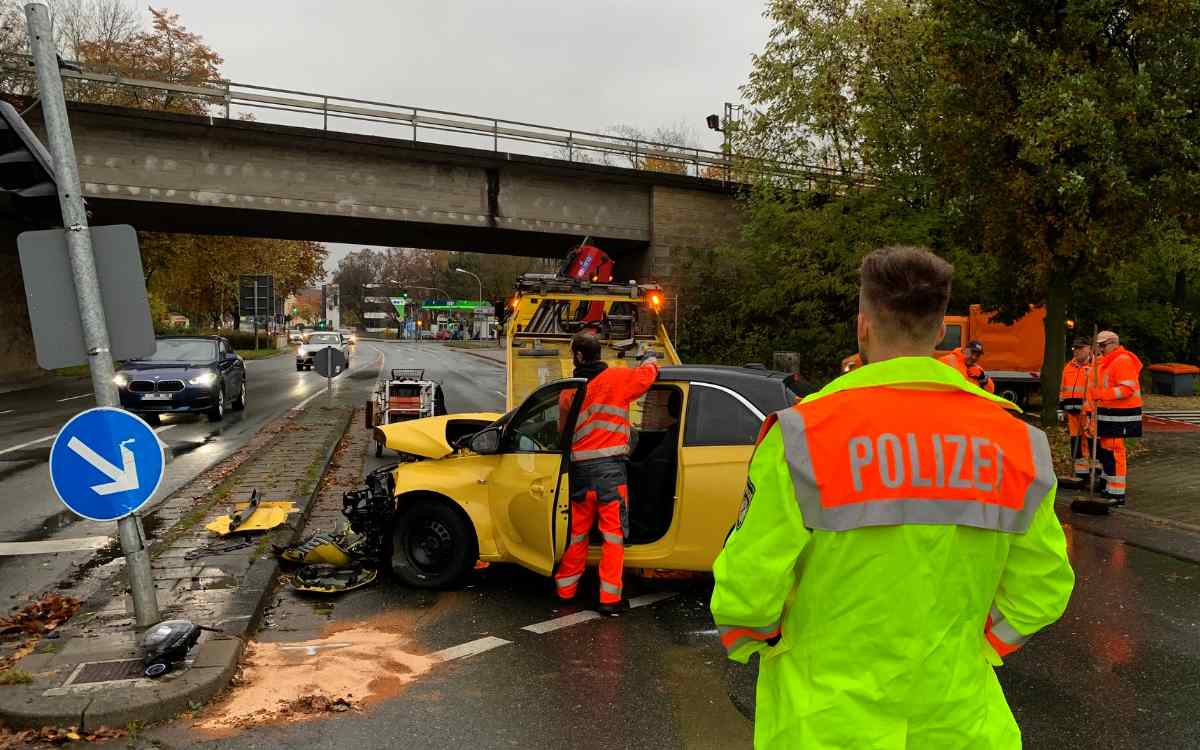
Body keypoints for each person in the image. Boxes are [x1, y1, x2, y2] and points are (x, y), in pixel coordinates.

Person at [711, 245, 1074, 749]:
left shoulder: (803, 434)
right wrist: (973, 648)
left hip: (826, 722)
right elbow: (1043, 588)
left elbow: (747, 592)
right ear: (939, 331)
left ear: (863, 325)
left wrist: (765, 641)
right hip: (960, 722)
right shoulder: (1015, 439)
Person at [553, 332, 658, 614]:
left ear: (578, 356)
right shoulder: (618, 379)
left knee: (578, 535)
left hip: (580, 474)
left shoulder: (568, 391)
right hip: (611, 473)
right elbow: (647, 377)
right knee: (612, 537)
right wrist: (648, 358)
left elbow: (562, 433)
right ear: (599, 354)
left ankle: (566, 589)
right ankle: (609, 599)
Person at [1087, 330, 1143, 505]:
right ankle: (1110, 487)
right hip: (1110, 412)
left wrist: (1102, 394)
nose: (1100, 349)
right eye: (1098, 345)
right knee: (1107, 451)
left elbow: (1127, 389)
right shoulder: (1107, 361)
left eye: (1102, 345)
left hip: (1121, 414)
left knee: (1114, 450)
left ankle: (1117, 493)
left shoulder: (1122, 361)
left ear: (1113, 343)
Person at [1059, 337, 1092, 480]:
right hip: (1072, 413)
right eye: (1075, 348)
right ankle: (1081, 473)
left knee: (1091, 442)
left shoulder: (1095, 367)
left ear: (1088, 349)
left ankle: (1096, 472)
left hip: (1089, 413)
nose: (1076, 351)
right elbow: (1062, 390)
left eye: (1080, 348)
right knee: (1076, 442)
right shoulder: (1068, 368)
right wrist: (1060, 409)